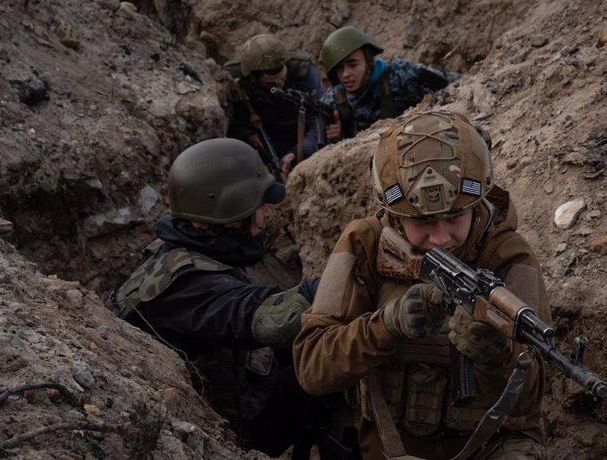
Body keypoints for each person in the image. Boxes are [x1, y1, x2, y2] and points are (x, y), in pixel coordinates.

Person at [293, 110, 552, 459]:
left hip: (486, 446)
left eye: (455, 216)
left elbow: (529, 404)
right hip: (388, 445)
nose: (441, 238)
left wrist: (497, 355)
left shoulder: (508, 255)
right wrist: (386, 325)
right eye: (423, 221)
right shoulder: (365, 243)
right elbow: (312, 368)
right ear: (395, 216)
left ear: (477, 202)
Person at [107, 138, 328, 457]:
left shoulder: (179, 254)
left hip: (218, 388)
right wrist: (345, 276)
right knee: (315, 375)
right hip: (210, 432)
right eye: (258, 205)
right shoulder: (191, 286)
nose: (267, 214)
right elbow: (273, 321)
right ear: (225, 214)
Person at [320, 26, 461, 140]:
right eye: (339, 68)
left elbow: (454, 84)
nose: (345, 74)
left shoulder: (401, 75)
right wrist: (336, 136)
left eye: (353, 65)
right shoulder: (333, 100)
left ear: (369, 62)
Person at [228, 34, 325, 176]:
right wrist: (248, 136)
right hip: (265, 144)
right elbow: (232, 124)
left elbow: (318, 122)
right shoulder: (238, 82)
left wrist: (298, 152)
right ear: (254, 79)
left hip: (302, 142)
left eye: (283, 80)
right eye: (272, 84)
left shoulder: (303, 72)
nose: (279, 86)